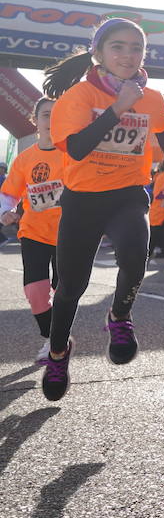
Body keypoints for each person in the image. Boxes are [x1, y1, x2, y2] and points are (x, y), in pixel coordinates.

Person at [41, 17, 164, 401]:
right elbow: (77, 149)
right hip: (83, 198)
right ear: (98, 53)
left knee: (136, 256)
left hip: (127, 193)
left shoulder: (150, 97)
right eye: (117, 47)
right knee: (70, 287)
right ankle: (58, 353)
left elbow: (163, 128)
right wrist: (119, 107)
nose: (127, 55)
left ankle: (119, 317)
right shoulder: (77, 98)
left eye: (136, 48)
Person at [0, 97, 65, 360]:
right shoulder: (25, 159)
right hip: (34, 231)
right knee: (35, 292)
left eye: (57, 115)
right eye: (46, 115)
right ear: (35, 120)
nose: (51, 120)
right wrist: (6, 211)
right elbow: (9, 193)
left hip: (69, 234)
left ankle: (58, 340)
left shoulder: (73, 154)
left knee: (64, 293)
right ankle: (53, 340)